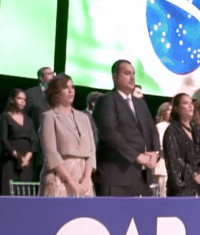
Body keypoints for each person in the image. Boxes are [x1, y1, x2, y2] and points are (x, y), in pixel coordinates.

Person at [93, 60, 162, 197]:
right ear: (114, 77)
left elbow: (152, 131)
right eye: (126, 73)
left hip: (142, 178)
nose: (132, 78)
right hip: (116, 177)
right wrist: (136, 156)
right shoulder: (106, 100)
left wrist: (155, 152)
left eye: (133, 74)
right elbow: (110, 133)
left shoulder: (140, 103)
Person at [40, 74, 96, 197]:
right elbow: (51, 153)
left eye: (72, 87)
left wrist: (87, 178)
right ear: (56, 92)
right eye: (66, 87)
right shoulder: (49, 117)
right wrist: (71, 182)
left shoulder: (84, 118)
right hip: (59, 178)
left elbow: (92, 150)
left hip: (83, 178)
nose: (71, 91)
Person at [163, 93, 200, 197]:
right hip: (182, 188)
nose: (191, 106)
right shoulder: (172, 131)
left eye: (191, 103)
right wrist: (193, 174)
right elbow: (174, 159)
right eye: (185, 103)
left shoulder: (199, 129)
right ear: (176, 108)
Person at [0, 89, 39, 197]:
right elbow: (3, 140)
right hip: (9, 162)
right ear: (12, 100)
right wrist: (18, 156)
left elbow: (34, 140)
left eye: (24, 99)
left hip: (26, 163)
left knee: (24, 193)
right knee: (7, 194)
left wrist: (26, 158)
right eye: (19, 98)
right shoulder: (5, 117)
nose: (22, 102)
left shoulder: (28, 119)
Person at [23, 66, 53, 132]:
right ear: (41, 78)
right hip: (35, 137)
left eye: (53, 73)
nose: (53, 76)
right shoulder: (30, 94)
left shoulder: (58, 95)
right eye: (49, 74)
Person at [154, 102, 173, 197]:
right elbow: (161, 144)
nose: (171, 112)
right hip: (163, 163)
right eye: (169, 110)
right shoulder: (161, 126)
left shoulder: (174, 126)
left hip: (172, 164)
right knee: (163, 192)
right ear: (163, 112)